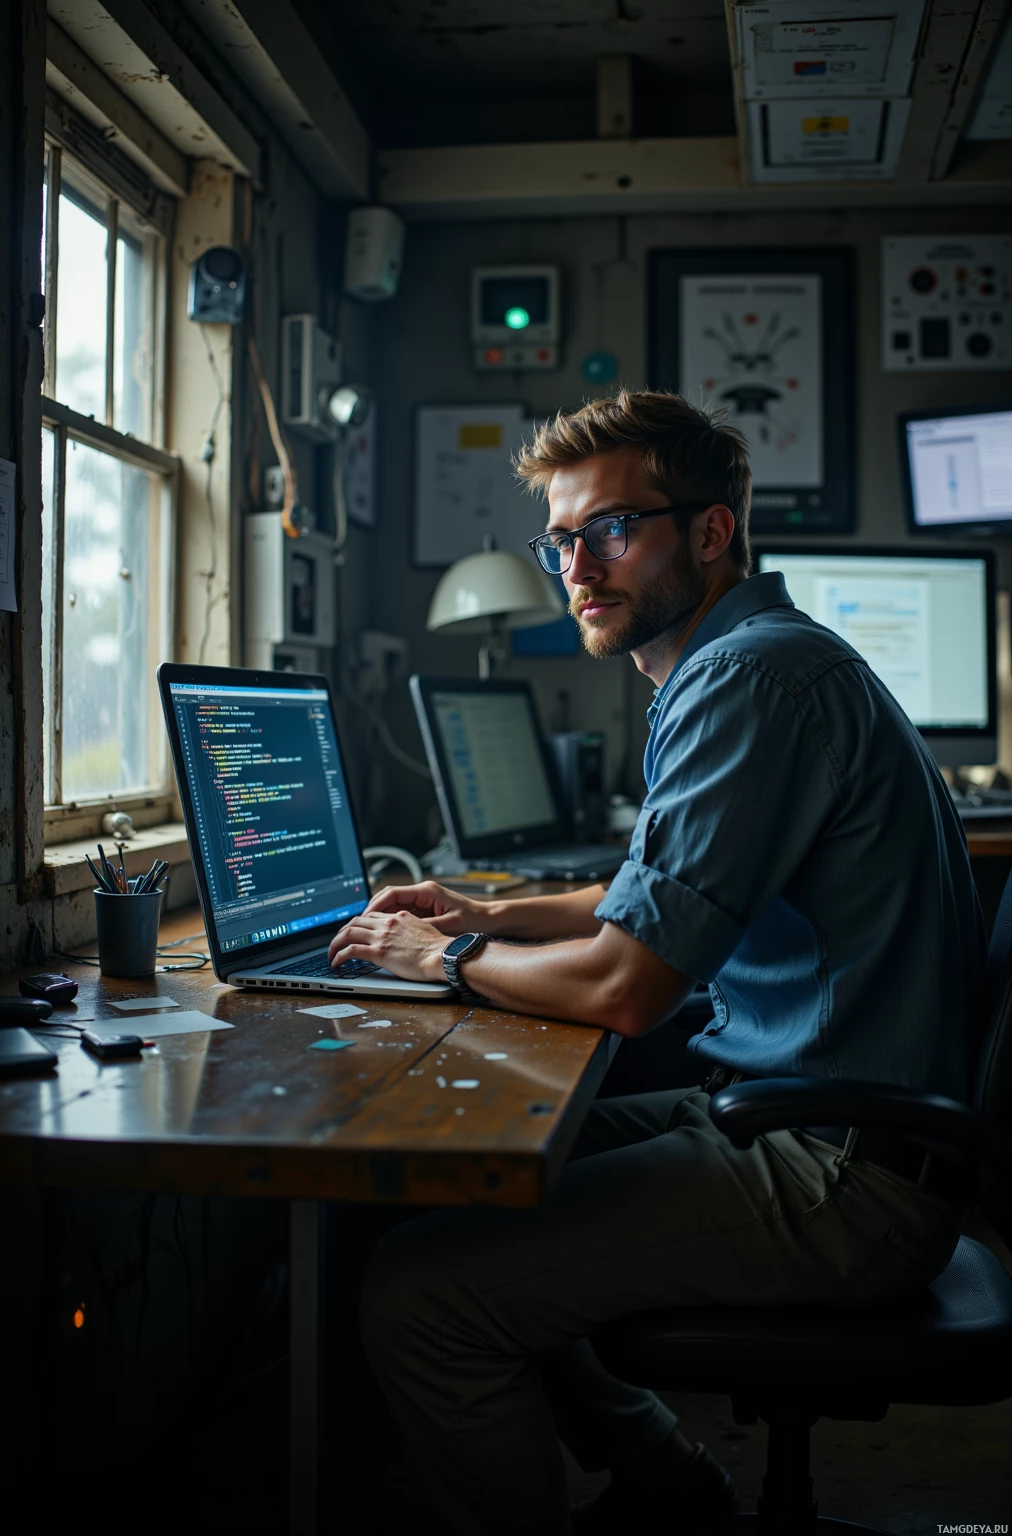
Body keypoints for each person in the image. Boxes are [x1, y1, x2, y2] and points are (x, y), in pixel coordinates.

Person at [329, 390, 986, 1536]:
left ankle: (654, 1471)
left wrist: (445, 957)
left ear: (710, 532)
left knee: (419, 1296)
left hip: (841, 1176)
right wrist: (486, 909)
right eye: (560, 540)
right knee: (461, 1182)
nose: (576, 568)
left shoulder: (747, 681)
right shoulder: (753, 660)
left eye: (612, 530)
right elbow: (647, 891)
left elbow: (626, 988)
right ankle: (663, 1478)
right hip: (816, 1120)